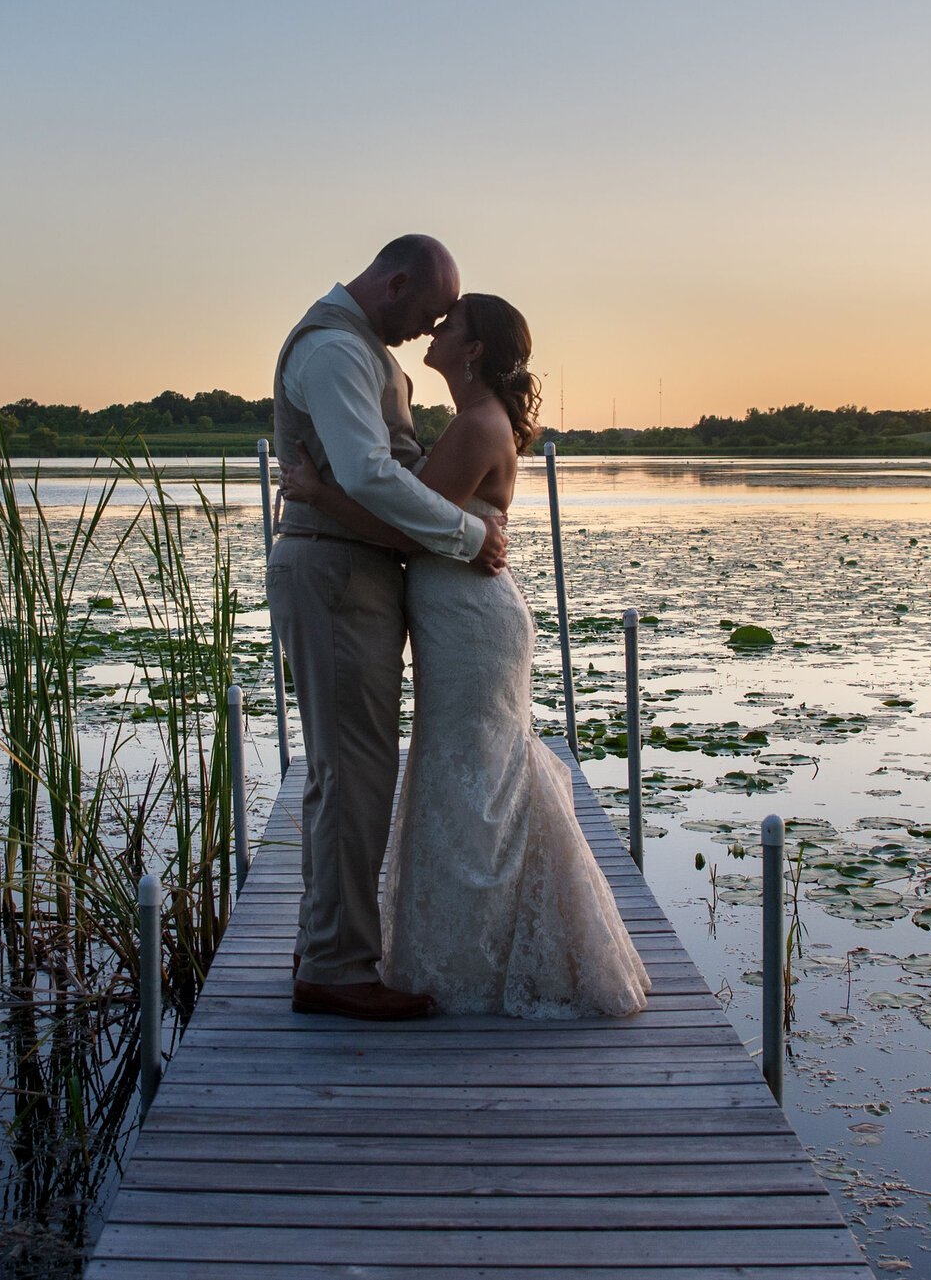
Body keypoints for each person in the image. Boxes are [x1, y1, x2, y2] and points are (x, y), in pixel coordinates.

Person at [279, 291, 650, 1020]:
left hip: (473, 625)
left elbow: (404, 528)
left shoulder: (479, 426)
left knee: (476, 779)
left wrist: (319, 494)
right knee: (467, 777)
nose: (434, 327)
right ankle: (457, 943)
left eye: (450, 324)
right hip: (458, 618)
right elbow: (415, 514)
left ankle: (484, 952)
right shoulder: (466, 421)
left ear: (473, 349)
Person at [268, 235, 509, 1022]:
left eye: (444, 320)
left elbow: (383, 477)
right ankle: (337, 963)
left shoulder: (360, 345)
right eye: (427, 312)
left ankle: (323, 940)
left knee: (348, 766)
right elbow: (370, 474)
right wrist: (469, 537)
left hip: (350, 571)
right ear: (395, 282)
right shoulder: (337, 349)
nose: (425, 328)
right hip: (335, 571)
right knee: (354, 771)